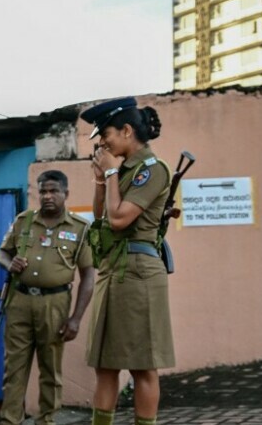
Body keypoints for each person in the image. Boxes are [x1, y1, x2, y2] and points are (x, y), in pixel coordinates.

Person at [80, 97, 173, 425]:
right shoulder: (122, 171)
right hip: (113, 271)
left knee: (143, 366)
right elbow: (100, 215)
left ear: (127, 130)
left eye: (105, 133)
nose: (102, 141)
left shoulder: (152, 170)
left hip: (138, 274)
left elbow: (119, 220)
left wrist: (109, 174)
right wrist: (101, 180)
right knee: (104, 365)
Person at [0, 170, 95, 425]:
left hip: (55, 305)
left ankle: (46, 420)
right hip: (19, 302)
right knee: (14, 369)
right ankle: (10, 421)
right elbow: (2, 253)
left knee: (50, 370)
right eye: (43, 191)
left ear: (66, 194)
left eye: (54, 191)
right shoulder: (24, 221)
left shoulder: (80, 228)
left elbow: (88, 276)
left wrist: (75, 318)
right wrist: (10, 264)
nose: (48, 196)